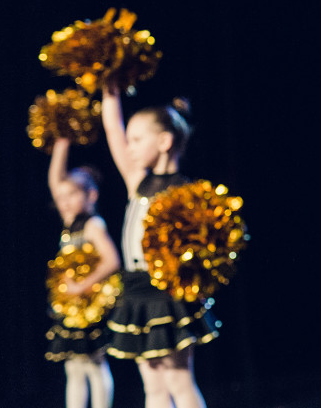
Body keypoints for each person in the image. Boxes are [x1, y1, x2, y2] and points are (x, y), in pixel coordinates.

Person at [100, 86, 219, 408]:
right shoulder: (137, 180)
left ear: (165, 142)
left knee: (178, 380)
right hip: (135, 289)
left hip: (168, 292)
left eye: (137, 139)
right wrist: (108, 87)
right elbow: (112, 129)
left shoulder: (186, 191)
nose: (129, 146)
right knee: (151, 385)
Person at [45, 138, 120, 408]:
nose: (63, 201)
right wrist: (62, 143)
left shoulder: (92, 225)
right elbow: (55, 180)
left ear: (91, 195)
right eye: (61, 197)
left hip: (90, 305)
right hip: (73, 308)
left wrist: (82, 286)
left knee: (94, 365)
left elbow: (112, 260)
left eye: (72, 195)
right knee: (73, 368)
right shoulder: (69, 223)